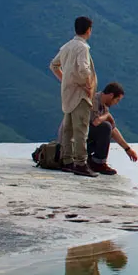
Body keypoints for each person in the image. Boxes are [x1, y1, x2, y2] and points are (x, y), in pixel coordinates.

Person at [49, 16, 99, 177]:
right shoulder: (82, 48)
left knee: (68, 129)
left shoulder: (67, 46)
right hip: (80, 94)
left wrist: (65, 79)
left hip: (67, 92)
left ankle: (67, 160)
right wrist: (88, 85)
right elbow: (84, 69)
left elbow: (54, 65)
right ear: (88, 30)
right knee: (81, 129)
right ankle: (80, 163)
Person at [58, 82, 138, 175]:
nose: (116, 103)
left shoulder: (103, 106)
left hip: (81, 139)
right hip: (70, 143)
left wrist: (127, 149)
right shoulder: (92, 101)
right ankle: (97, 163)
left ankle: (91, 160)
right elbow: (96, 123)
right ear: (111, 95)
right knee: (105, 127)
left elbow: (113, 130)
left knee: (106, 127)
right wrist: (107, 116)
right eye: (117, 100)